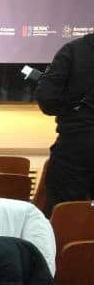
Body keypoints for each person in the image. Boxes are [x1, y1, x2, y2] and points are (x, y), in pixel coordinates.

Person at [35, 28, 94, 212]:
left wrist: (71, 109)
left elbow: (48, 101)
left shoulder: (73, 50)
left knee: (65, 212)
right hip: (76, 145)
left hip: (74, 149)